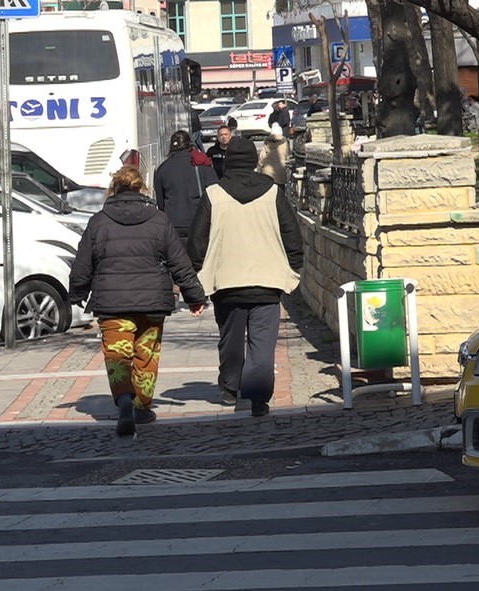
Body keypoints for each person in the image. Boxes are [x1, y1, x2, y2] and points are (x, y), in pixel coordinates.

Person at [68, 165, 207, 437]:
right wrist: (195, 297)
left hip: (112, 304)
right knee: (147, 354)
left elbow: (83, 266)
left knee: (118, 355)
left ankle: (123, 400)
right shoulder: (159, 219)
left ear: (114, 189)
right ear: (141, 188)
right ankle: (142, 407)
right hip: (152, 301)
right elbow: (180, 262)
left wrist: (77, 293)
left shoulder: (98, 222)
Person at [186, 136, 303, 418]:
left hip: (226, 281)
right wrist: (294, 266)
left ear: (227, 162)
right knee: (262, 344)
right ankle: (258, 395)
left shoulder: (213, 194)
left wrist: (197, 274)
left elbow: (196, 241)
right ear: (254, 162)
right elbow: (292, 235)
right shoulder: (273, 193)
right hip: (267, 279)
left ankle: (230, 388)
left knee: (230, 339)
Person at [152, 130, 217, 242]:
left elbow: (160, 202)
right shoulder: (202, 165)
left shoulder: (163, 169)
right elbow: (215, 195)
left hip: (173, 223)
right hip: (199, 223)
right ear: (190, 145)